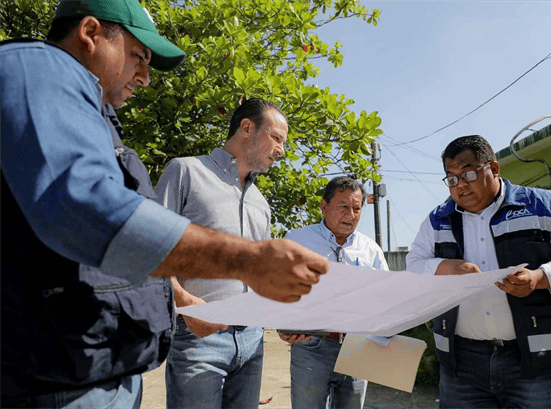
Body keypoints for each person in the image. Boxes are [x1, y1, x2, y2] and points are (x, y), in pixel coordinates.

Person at [0, 1, 328, 407]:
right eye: (140, 57)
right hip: (47, 379)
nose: (146, 78)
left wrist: (180, 298)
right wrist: (248, 260)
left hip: (92, 368)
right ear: (90, 33)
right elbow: (87, 212)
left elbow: (121, 253)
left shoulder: (89, 117)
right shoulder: (39, 70)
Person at [405, 135, 551, 409]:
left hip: (535, 360)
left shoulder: (542, 206)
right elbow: (413, 264)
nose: (460, 185)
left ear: (494, 169)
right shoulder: (437, 220)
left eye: (469, 174)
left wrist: (540, 278)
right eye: (451, 179)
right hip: (462, 363)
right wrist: (444, 267)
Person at [154, 98, 287, 409]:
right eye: (277, 138)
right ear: (246, 128)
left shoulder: (261, 204)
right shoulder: (185, 171)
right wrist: (184, 303)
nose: (282, 150)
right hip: (198, 336)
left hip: (253, 340)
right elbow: (153, 244)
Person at [279, 176, 389, 409]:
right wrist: (283, 323)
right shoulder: (297, 240)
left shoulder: (371, 250)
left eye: (357, 208)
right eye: (343, 207)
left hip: (358, 347)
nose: (351, 215)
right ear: (324, 206)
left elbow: (384, 298)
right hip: (312, 346)